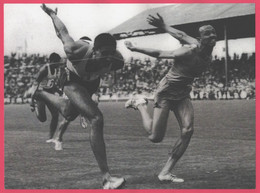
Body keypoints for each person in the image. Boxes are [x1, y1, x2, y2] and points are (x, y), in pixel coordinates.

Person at [30, 4, 125, 189]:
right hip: (72, 79)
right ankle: (106, 177)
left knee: (69, 113)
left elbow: (111, 65)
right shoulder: (76, 50)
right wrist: (52, 15)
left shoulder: (116, 61)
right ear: (94, 50)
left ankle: (41, 94)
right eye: (104, 54)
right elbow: (62, 32)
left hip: (90, 83)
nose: (108, 58)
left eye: (111, 54)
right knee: (96, 118)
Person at [125, 13, 217, 183]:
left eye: (213, 33)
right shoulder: (189, 50)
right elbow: (160, 53)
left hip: (182, 93)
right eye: (208, 34)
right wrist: (135, 48)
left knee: (188, 130)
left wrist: (163, 26)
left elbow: (180, 35)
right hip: (166, 92)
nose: (212, 36)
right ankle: (140, 104)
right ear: (200, 39)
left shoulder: (206, 52)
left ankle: (165, 172)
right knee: (155, 137)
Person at [26, 52, 70, 151]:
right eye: (55, 62)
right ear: (50, 61)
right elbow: (35, 85)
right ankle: (36, 106)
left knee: (55, 114)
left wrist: (58, 91)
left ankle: (50, 138)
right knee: (42, 119)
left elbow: (51, 84)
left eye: (58, 62)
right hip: (40, 94)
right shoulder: (45, 70)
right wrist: (32, 101)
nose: (57, 64)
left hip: (49, 93)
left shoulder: (57, 69)